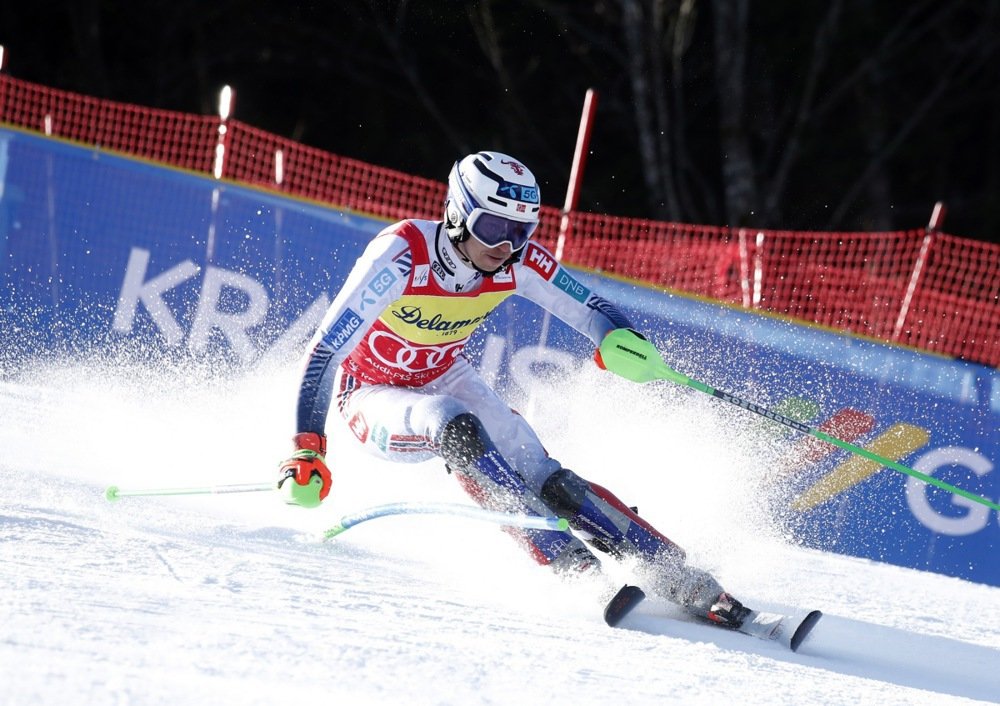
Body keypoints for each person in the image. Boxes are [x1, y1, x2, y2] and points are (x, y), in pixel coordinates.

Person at [277, 150, 749, 629]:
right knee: (451, 421)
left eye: (521, 232)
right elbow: (324, 351)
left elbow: (591, 307)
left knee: (544, 473)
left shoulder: (519, 261)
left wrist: (619, 339)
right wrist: (307, 448)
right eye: (495, 229)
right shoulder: (401, 254)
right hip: (371, 394)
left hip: (444, 372)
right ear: (458, 214)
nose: (507, 246)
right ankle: (574, 570)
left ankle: (682, 577)